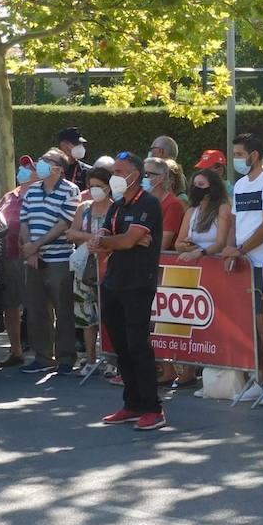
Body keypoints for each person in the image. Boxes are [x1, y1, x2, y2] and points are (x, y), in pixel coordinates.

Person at [92, 151, 167, 431]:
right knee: (121, 346)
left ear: (136, 175)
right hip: (113, 280)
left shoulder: (147, 203)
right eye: (115, 172)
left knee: (138, 345)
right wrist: (108, 240)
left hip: (137, 282)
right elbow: (107, 238)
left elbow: (127, 240)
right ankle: (132, 403)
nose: (115, 177)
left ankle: (153, 408)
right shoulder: (117, 205)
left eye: (121, 172)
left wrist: (113, 241)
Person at [221, 133, 263, 406]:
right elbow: (236, 223)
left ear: (254, 155)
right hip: (245, 264)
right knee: (248, 325)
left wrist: (240, 250)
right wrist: (230, 249)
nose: (236, 158)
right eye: (235, 153)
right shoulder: (239, 185)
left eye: (240, 154)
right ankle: (259, 379)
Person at [19, 147, 81, 375]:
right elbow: (24, 221)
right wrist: (30, 250)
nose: (39, 165)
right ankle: (43, 356)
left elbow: (64, 224)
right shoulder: (32, 191)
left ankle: (66, 357)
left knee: (63, 308)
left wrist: (36, 245)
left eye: (45, 161)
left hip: (60, 258)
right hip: (34, 259)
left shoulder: (70, 191)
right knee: (36, 309)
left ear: (58, 168)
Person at [65, 166, 113, 376]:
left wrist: (102, 242)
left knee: (109, 315)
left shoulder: (115, 208)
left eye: (99, 186)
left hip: (109, 267)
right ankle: (91, 359)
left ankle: (112, 361)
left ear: (109, 187)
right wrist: (90, 239)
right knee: (86, 316)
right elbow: (71, 232)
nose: (94, 190)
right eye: (91, 186)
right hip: (84, 269)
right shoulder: (83, 207)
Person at [0, 156, 40, 367]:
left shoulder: (39, 197)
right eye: (22, 167)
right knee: (10, 305)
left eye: (28, 168)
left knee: (38, 305)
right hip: (8, 256)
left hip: (30, 256)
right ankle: (16, 351)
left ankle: (46, 354)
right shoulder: (9, 196)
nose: (22, 171)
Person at [143, 157, 185, 251]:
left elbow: (163, 244)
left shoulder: (173, 204)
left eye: (147, 174)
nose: (143, 178)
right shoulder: (142, 202)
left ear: (161, 178)